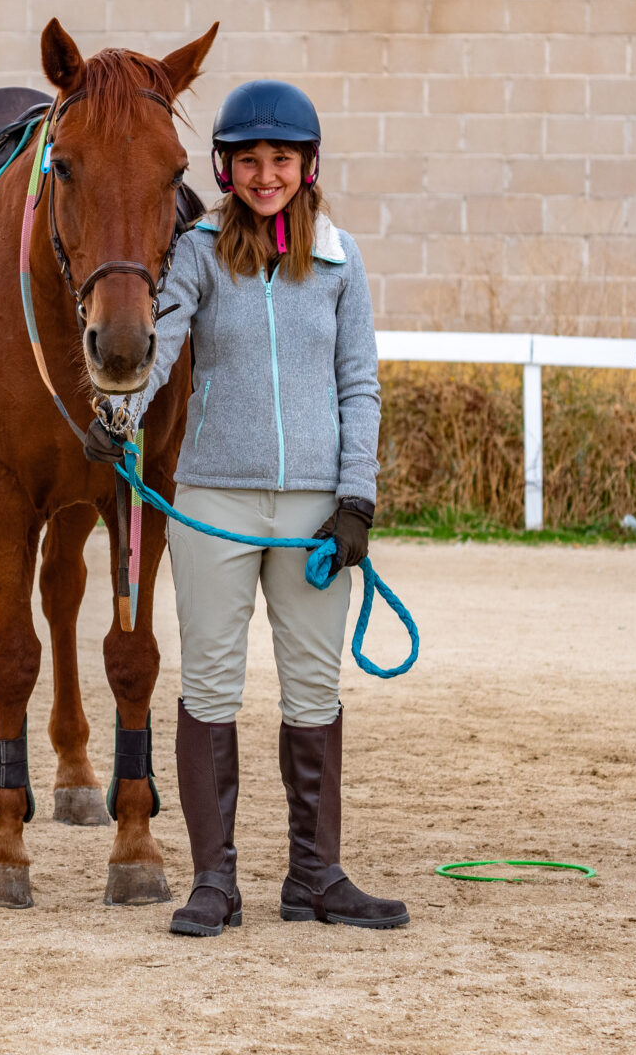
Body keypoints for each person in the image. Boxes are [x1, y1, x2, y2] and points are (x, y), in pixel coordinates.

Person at [91, 79, 404, 937]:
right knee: (211, 687)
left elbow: (359, 386)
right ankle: (214, 883)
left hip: (312, 509)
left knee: (313, 691)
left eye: (283, 160)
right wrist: (118, 412)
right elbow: (163, 343)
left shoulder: (341, 260)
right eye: (250, 161)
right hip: (213, 496)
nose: (267, 175)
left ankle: (315, 878)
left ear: (308, 167)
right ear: (226, 168)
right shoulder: (194, 252)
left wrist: (356, 503)